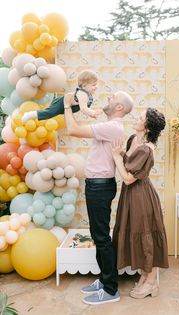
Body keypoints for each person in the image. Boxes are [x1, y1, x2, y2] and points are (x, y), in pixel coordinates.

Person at [63, 90, 134, 305]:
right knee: (98, 235)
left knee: (102, 237)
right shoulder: (109, 126)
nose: (108, 97)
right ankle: (104, 281)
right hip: (97, 186)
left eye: (113, 97)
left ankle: (111, 289)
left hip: (100, 187)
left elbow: (72, 130)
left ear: (120, 108)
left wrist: (67, 105)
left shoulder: (112, 127)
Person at [111, 108, 169, 299]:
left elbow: (128, 178)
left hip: (141, 197)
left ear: (147, 126)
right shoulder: (132, 140)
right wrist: (122, 154)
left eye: (141, 117)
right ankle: (144, 276)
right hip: (131, 196)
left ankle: (152, 282)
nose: (136, 118)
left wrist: (116, 157)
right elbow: (129, 161)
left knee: (146, 237)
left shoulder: (146, 149)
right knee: (139, 233)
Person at [22, 69, 100, 122]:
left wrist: (91, 115)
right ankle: (30, 114)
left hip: (66, 105)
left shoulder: (88, 95)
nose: (96, 87)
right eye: (93, 85)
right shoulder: (82, 94)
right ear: (84, 85)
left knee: (51, 114)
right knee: (49, 113)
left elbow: (85, 108)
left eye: (96, 84)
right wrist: (92, 112)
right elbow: (83, 109)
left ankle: (31, 114)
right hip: (61, 103)